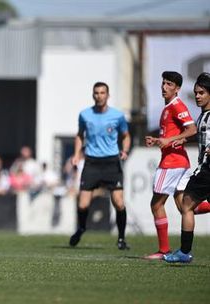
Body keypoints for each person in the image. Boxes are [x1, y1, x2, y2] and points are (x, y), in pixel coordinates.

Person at [69, 82, 131, 250]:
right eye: (96, 93)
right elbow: (79, 136)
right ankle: (81, 228)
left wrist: (124, 150)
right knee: (82, 204)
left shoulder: (117, 116)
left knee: (118, 202)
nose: (99, 95)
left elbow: (126, 136)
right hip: (92, 162)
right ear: (93, 95)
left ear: (107, 95)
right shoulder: (85, 115)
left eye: (102, 92)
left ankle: (121, 238)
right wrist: (76, 155)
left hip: (111, 162)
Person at [143, 72, 197, 260]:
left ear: (177, 89)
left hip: (172, 163)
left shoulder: (177, 105)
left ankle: (163, 250)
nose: (164, 87)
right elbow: (174, 135)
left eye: (169, 84)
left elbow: (192, 129)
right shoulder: (167, 107)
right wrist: (158, 140)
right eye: (163, 83)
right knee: (186, 206)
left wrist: (170, 139)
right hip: (180, 161)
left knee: (156, 204)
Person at [164, 72, 210, 263]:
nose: (197, 96)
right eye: (196, 93)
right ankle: (183, 251)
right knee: (187, 205)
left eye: (201, 93)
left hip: (207, 169)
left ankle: (184, 252)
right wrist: (184, 138)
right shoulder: (203, 116)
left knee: (187, 204)